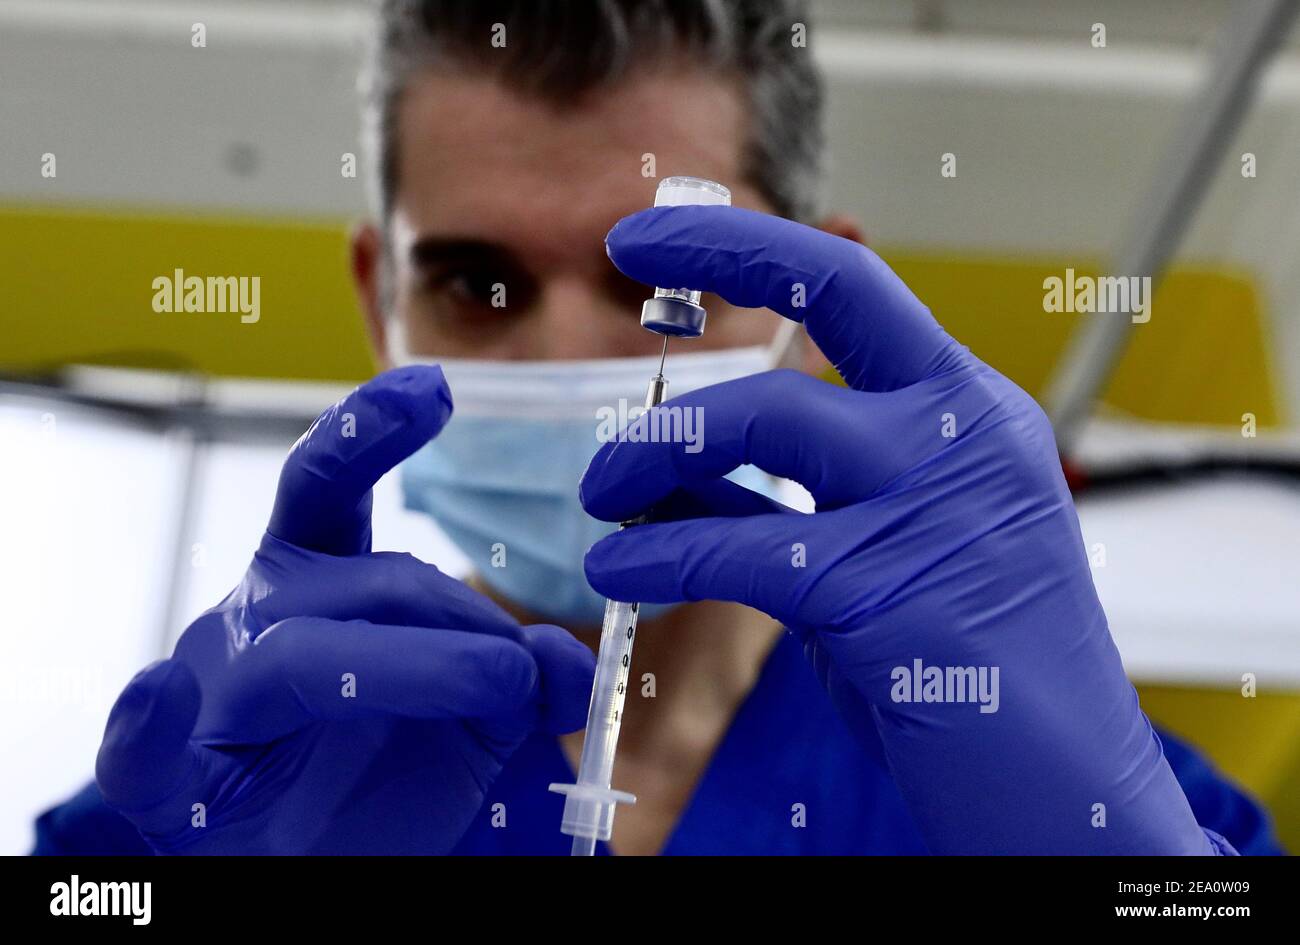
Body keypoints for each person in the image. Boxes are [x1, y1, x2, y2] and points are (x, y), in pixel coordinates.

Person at [34, 0, 1281, 856]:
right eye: (480, 284)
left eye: (660, 288)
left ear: (812, 299)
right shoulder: (193, 813)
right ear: (379, 299)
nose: (572, 356)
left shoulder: (1106, 802)